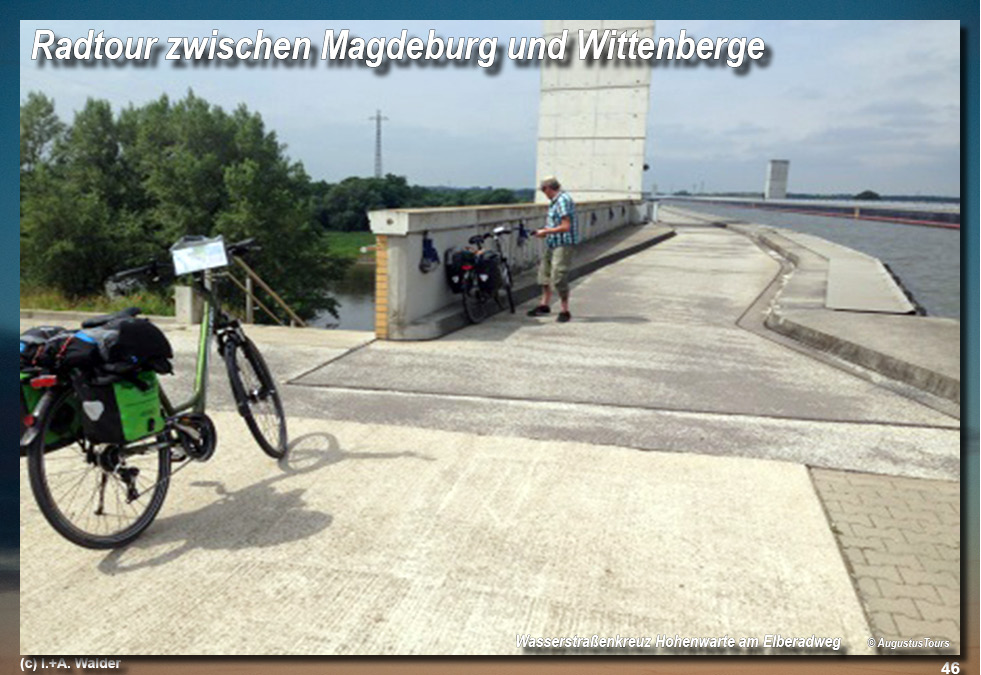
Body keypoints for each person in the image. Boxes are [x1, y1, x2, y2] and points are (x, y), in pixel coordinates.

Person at [528, 176, 578, 322]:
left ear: (549, 188)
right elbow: (556, 224)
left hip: (563, 244)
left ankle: (565, 310)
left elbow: (565, 226)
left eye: (544, 190)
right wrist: (544, 232)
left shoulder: (563, 201)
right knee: (544, 275)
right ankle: (544, 304)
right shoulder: (555, 202)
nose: (544, 193)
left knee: (558, 277)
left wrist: (545, 232)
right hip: (552, 242)